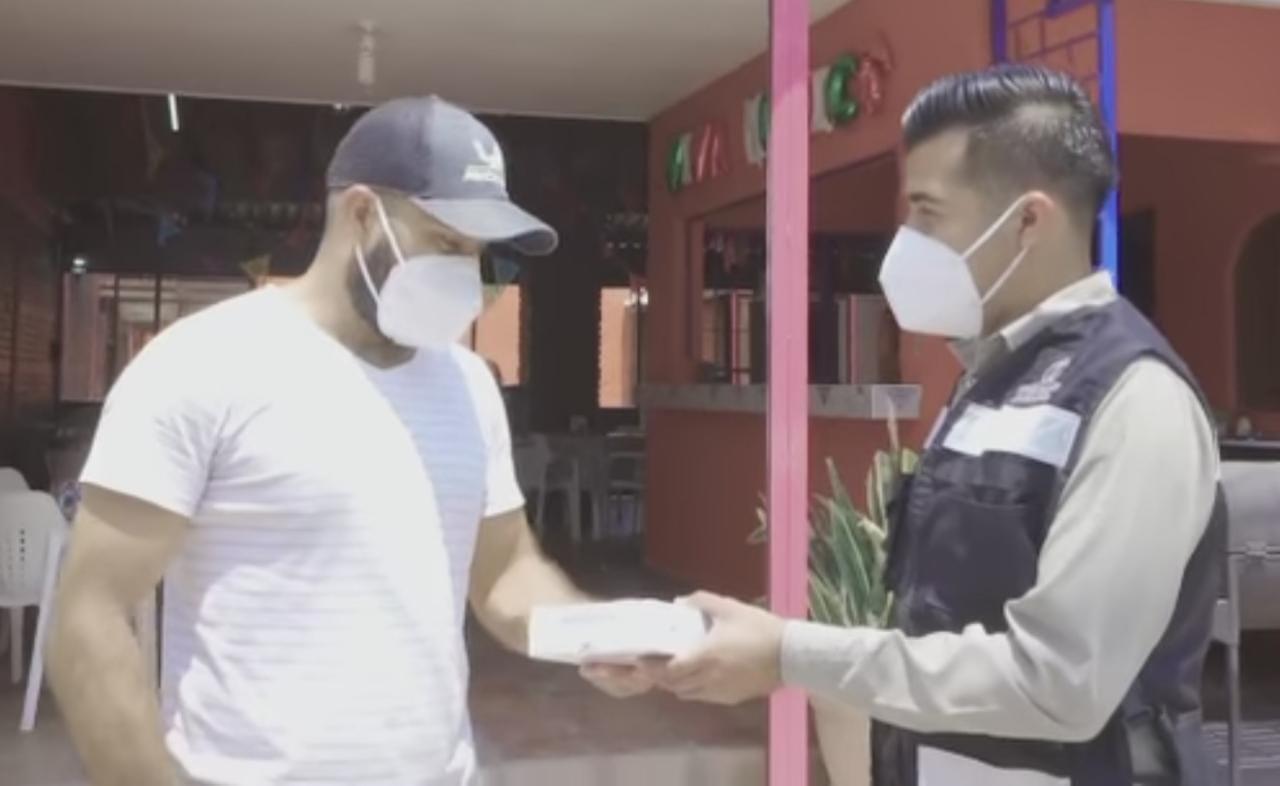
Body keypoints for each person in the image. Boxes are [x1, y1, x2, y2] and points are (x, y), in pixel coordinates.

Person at [48, 96, 653, 786]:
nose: (469, 273)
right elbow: (89, 617)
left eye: (479, 253)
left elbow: (506, 574)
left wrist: (600, 635)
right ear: (362, 213)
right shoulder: (202, 364)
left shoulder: (468, 384)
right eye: (448, 243)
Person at [657, 65, 1224, 786]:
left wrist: (790, 653)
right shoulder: (986, 382)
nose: (907, 240)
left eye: (928, 212)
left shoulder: (1135, 400)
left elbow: (1059, 681)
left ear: (1028, 221)